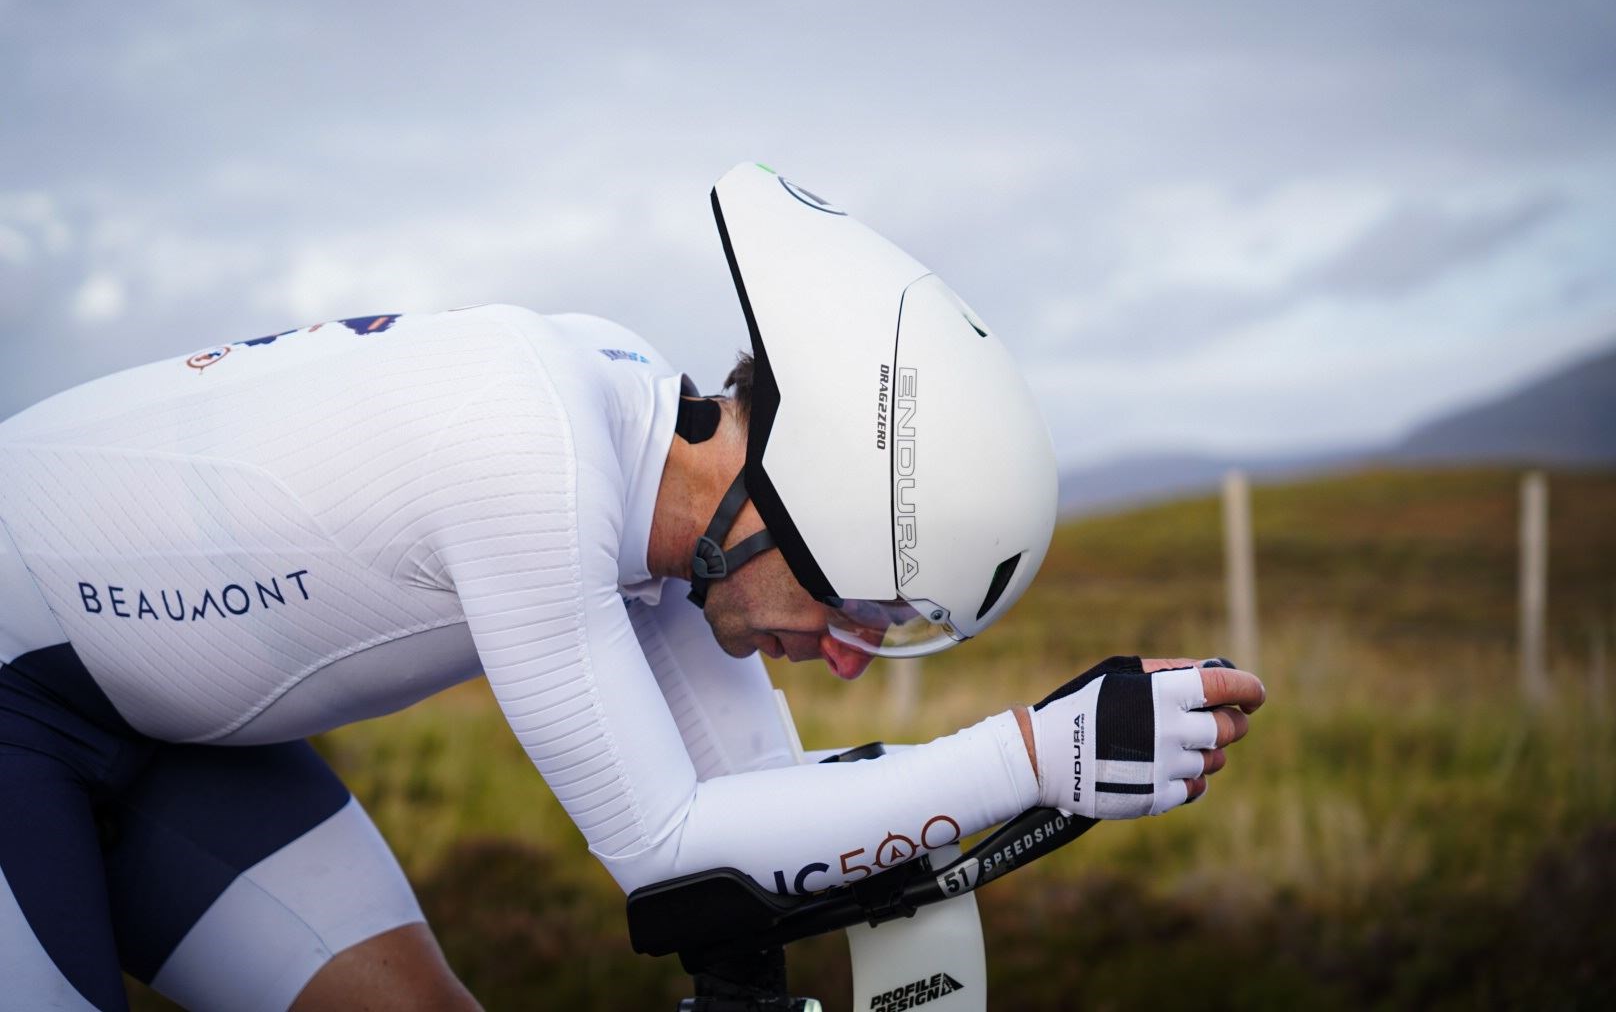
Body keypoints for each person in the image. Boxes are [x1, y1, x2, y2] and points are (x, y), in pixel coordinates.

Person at [0, 163, 1264, 1011]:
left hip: (178, 727)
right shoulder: (527, 453)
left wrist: (1077, 739)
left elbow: (749, 818)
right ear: (796, 505)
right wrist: (1032, 757)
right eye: (860, 615)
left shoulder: (642, 443)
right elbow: (665, 852)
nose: (840, 656)